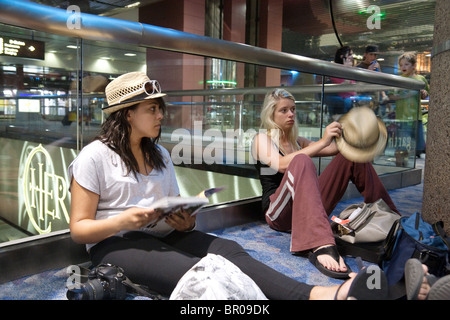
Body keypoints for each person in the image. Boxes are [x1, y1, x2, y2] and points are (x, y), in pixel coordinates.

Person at [69, 71, 393, 300]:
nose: (160, 115)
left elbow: (171, 205)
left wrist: (186, 219)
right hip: (116, 243)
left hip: (164, 233)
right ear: (126, 114)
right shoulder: (94, 156)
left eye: (160, 108)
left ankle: (320, 295)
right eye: (152, 108)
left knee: (229, 251)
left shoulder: (160, 155)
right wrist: (126, 219)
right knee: (209, 272)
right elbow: (80, 229)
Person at [251, 88, 400, 279]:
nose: (291, 114)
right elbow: (280, 165)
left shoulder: (297, 141)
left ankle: (390, 216)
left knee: (351, 156)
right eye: (284, 110)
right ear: (271, 114)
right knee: (301, 161)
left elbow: (334, 149)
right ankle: (321, 243)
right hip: (278, 214)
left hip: (306, 209)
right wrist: (321, 141)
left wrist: (356, 132)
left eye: (293, 109)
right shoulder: (261, 139)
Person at [389, 52, 430, 157]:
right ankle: (401, 163)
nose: (403, 67)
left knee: (419, 147)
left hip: (417, 117)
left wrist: (424, 94)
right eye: (401, 65)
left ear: (413, 65)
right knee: (402, 146)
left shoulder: (421, 79)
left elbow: (426, 95)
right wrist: (405, 96)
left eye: (406, 64)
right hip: (402, 118)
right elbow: (391, 96)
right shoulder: (398, 80)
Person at [326, 46, 357, 117]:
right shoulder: (335, 71)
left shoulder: (351, 72)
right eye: (349, 54)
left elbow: (354, 90)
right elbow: (342, 86)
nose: (351, 57)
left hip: (350, 103)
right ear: (342, 56)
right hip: (341, 105)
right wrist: (346, 68)